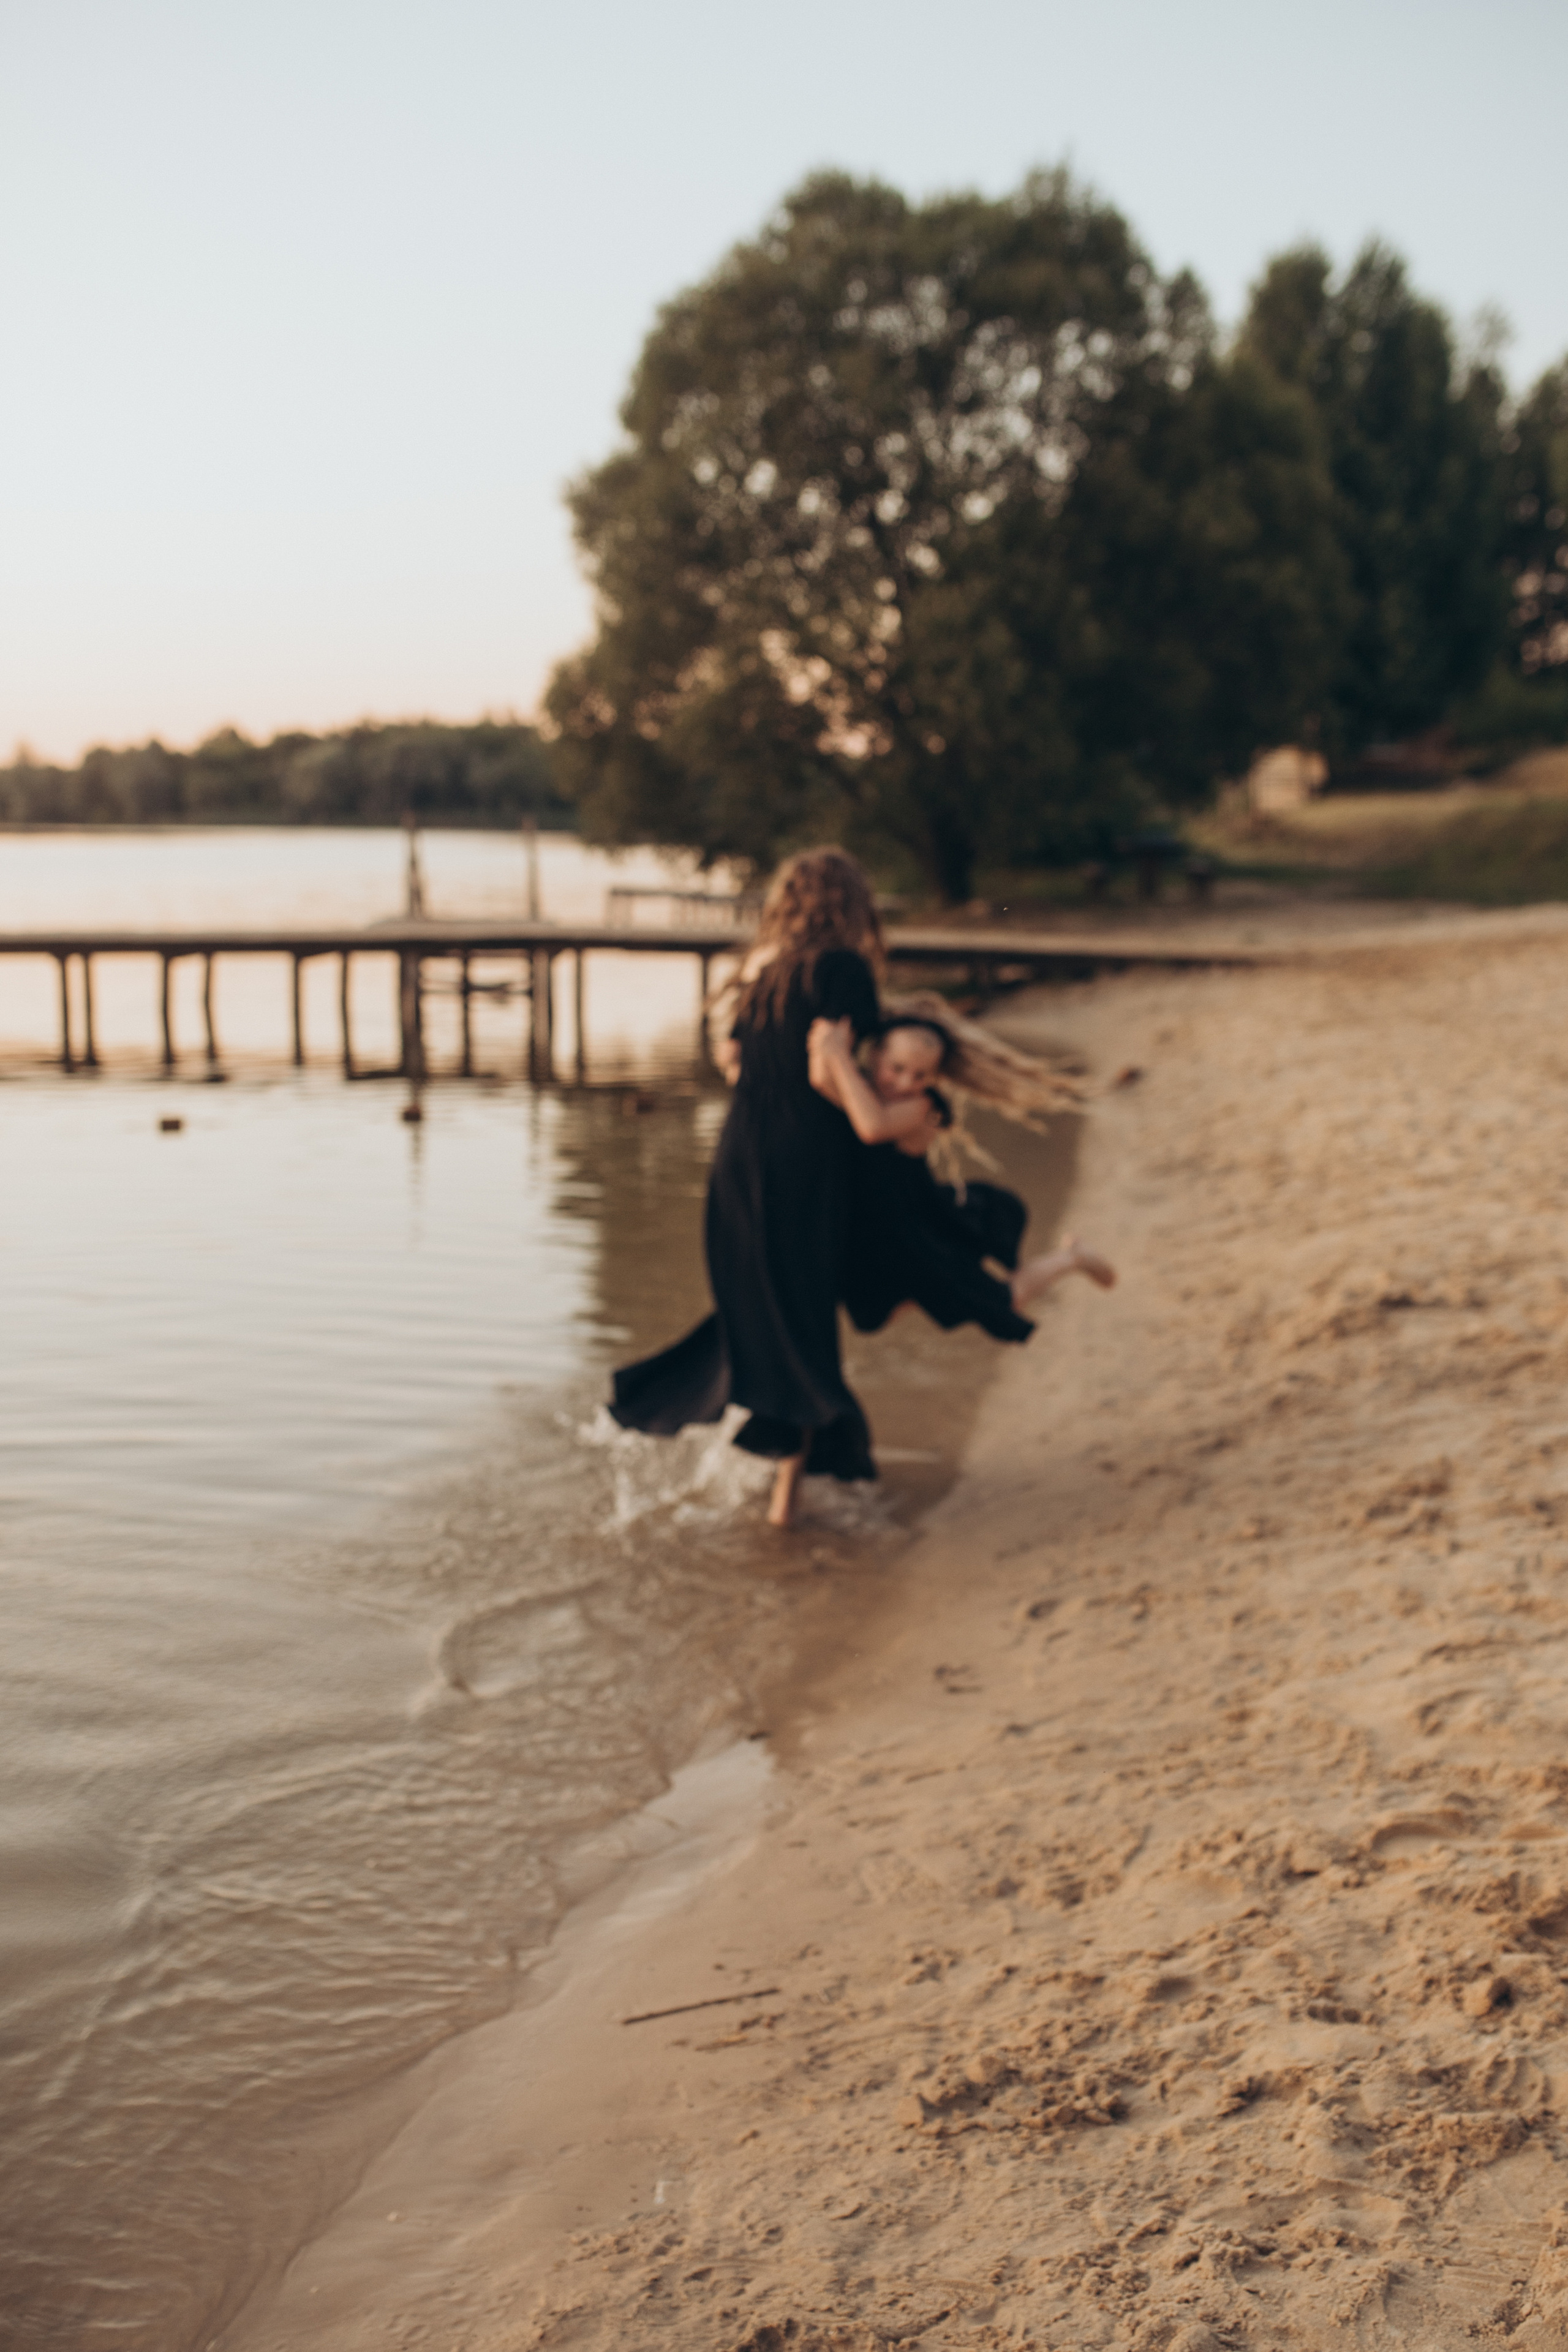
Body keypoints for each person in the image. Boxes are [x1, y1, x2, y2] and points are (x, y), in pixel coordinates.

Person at [609, 848, 885, 1528]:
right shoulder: (842, 970)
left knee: (764, 1313)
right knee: (804, 1319)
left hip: (738, 1156)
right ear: (853, 905)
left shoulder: (764, 977)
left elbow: (733, 1063)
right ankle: (786, 1509)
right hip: (804, 1160)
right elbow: (837, 1070)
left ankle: (775, 1486)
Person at [807, 1000, 1115, 1346]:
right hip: (880, 1233)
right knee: (871, 1315)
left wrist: (837, 1057)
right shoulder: (862, 1091)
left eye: (920, 1075)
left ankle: (1072, 1258)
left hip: (917, 1229)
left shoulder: (921, 1107)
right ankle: (939, 1289)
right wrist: (827, 1044)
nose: (906, 1082)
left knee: (1001, 1301)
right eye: (897, 1068)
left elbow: (872, 1128)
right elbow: (822, 1082)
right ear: (875, 1055)